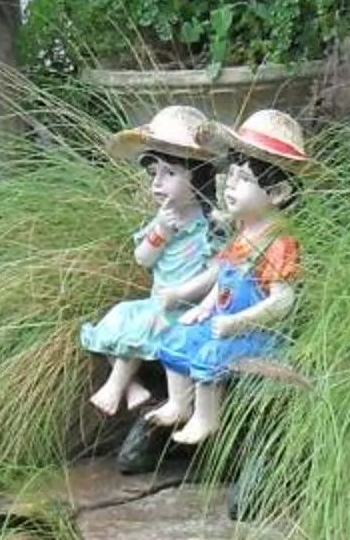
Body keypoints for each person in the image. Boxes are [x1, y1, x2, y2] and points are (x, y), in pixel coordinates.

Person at [147, 109, 307, 447]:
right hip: (222, 318)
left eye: (244, 179)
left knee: (209, 354)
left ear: (277, 193)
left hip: (256, 335)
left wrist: (237, 322)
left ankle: (208, 419)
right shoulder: (242, 234)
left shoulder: (279, 243)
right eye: (230, 176)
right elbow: (225, 279)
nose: (231, 186)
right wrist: (203, 308)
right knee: (178, 336)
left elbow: (282, 301)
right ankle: (179, 403)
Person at [78, 105, 222, 417]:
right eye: (153, 173)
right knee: (117, 320)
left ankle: (116, 388)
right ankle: (133, 388)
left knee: (146, 325)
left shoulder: (209, 226)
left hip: (185, 309)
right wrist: (161, 232)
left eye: (169, 173)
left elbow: (216, 273)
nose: (157, 183)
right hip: (156, 302)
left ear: (198, 177)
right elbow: (143, 259)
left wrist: (181, 294)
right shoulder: (163, 219)